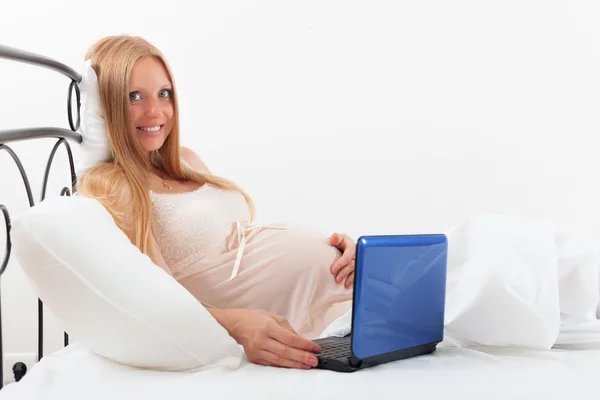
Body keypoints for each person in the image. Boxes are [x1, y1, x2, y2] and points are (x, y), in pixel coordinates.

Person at [75, 35, 355, 371]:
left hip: (341, 286)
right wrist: (234, 325)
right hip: (309, 319)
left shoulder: (186, 159)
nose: (156, 111)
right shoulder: (115, 185)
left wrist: (339, 249)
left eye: (164, 94)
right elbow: (156, 295)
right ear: (105, 105)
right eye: (134, 96)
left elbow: (245, 250)